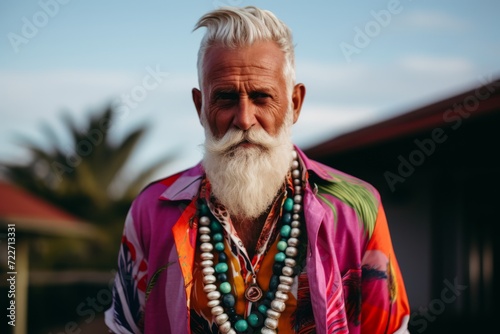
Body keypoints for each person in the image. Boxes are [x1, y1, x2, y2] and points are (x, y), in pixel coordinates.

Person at [105, 6, 410, 334]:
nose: (245, 119)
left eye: (262, 97)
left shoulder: (356, 208)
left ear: (295, 104)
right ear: (200, 107)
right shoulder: (152, 209)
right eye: (225, 98)